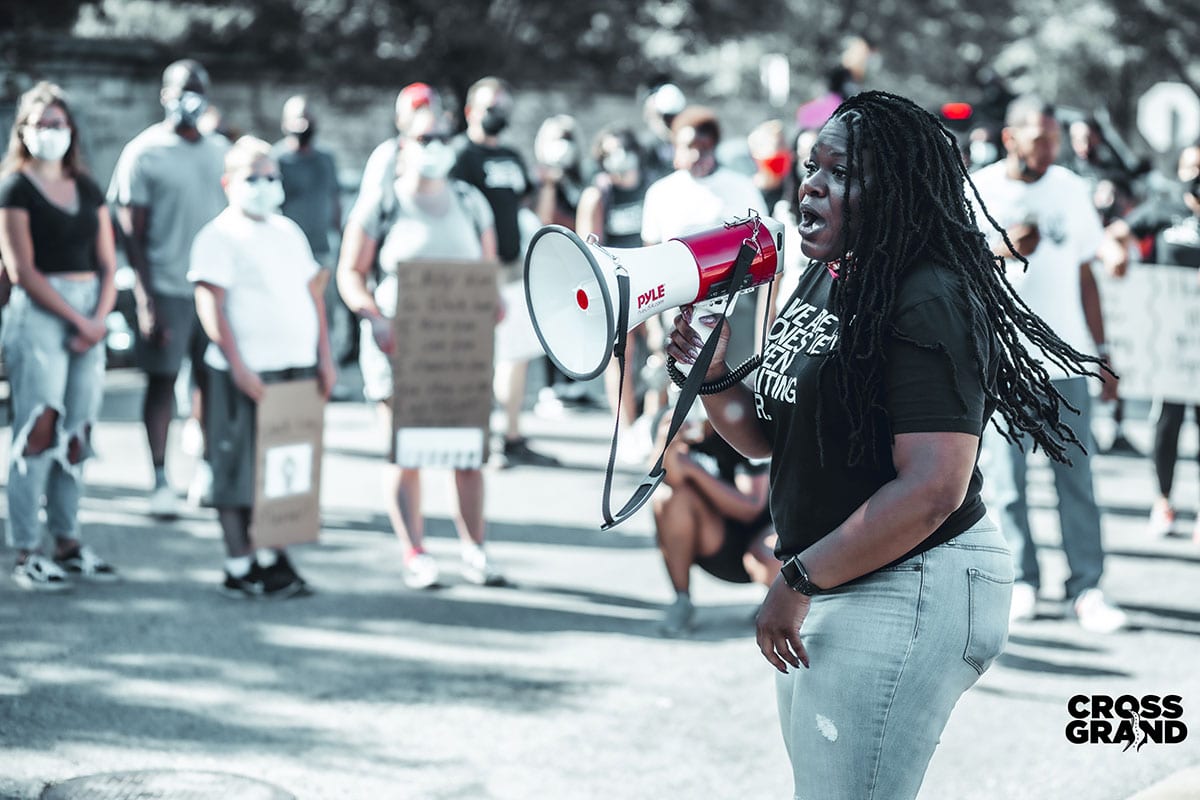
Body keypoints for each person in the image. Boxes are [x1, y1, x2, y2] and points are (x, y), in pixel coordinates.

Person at [666, 90, 1106, 799]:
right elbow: (763, 439)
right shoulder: (827, 276)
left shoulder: (928, 294)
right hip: (852, 574)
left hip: (914, 580)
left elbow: (934, 488)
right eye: (812, 167)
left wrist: (798, 578)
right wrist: (711, 374)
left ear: (895, 189)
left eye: (839, 172)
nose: (811, 184)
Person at [337, 86, 505, 590]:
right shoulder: (382, 202)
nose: (433, 145)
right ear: (403, 144)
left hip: (459, 350)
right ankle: (415, 551)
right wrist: (375, 318)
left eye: (441, 137)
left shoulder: (471, 202)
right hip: (399, 349)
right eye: (423, 137)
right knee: (405, 450)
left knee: (466, 452)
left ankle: (474, 549)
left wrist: (492, 303)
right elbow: (350, 273)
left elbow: (487, 270)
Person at [971, 95, 1127, 634]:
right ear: (1011, 138)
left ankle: (1087, 587)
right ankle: (1024, 582)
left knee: (1075, 481)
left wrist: (1102, 354)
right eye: (1039, 138)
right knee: (1007, 483)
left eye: (1053, 139)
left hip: (1068, 365)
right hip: (1005, 363)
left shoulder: (1071, 190)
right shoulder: (982, 189)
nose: (1049, 147)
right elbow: (959, 272)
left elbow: (1086, 274)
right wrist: (1005, 249)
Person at [188, 136, 335, 598]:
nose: (265, 184)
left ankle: (273, 557)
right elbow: (211, 305)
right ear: (229, 181)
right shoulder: (219, 235)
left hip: (293, 370)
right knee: (235, 468)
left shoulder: (288, 231)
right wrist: (238, 365)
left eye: (271, 176)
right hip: (244, 372)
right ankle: (239, 564)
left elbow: (313, 296)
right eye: (253, 176)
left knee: (281, 469)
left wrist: (325, 358)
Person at [0, 82, 118, 590]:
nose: (52, 133)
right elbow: (21, 269)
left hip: (91, 313)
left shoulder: (88, 188)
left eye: (59, 124)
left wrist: (97, 320)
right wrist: (76, 319)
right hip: (43, 313)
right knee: (38, 429)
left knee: (78, 431)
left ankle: (67, 541)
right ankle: (27, 549)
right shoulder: (14, 188)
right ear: (25, 131)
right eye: (42, 124)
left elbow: (110, 263)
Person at [108, 59, 228, 518]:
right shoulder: (144, 153)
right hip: (165, 287)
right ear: (164, 95)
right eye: (180, 91)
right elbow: (130, 234)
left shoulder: (220, 152)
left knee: (211, 382)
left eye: (197, 91)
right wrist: (145, 298)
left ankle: (208, 469)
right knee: (161, 382)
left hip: (212, 290)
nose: (188, 100)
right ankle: (160, 478)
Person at [450, 76, 558, 468]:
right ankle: (484, 435)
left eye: (503, 106)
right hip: (480, 267)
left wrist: (550, 182)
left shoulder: (512, 157)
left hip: (514, 264)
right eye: (489, 106)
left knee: (516, 355)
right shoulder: (461, 156)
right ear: (470, 111)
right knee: (482, 355)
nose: (497, 113)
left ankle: (510, 436)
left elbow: (531, 209)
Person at [653, 413, 778, 637]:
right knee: (666, 498)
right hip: (713, 539)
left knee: (768, 558)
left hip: (764, 536)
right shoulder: (671, 418)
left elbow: (750, 508)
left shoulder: (741, 419)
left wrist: (693, 469)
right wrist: (667, 446)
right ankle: (681, 599)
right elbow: (669, 480)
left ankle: (782, 601)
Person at [576, 126, 654, 463]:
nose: (618, 157)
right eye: (609, 153)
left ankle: (652, 423)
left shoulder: (651, 187)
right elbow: (586, 248)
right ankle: (625, 427)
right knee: (622, 357)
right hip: (618, 284)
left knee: (662, 351)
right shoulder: (599, 194)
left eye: (622, 148)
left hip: (652, 275)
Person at [273, 95, 349, 371]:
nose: (303, 123)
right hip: (288, 254)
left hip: (321, 250)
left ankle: (326, 372)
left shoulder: (325, 158)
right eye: (296, 117)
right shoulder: (277, 159)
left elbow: (335, 198)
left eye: (307, 116)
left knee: (324, 315)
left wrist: (338, 236)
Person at [1145, 174, 1200, 541]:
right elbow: (1119, 233)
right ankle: (1163, 500)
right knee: (1168, 423)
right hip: (1171, 342)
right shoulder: (1166, 210)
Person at [746, 119, 793, 213]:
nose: (783, 151)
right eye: (777, 146)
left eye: (784, 145)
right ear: (756, 152)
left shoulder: (793, 188)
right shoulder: (747, 192)